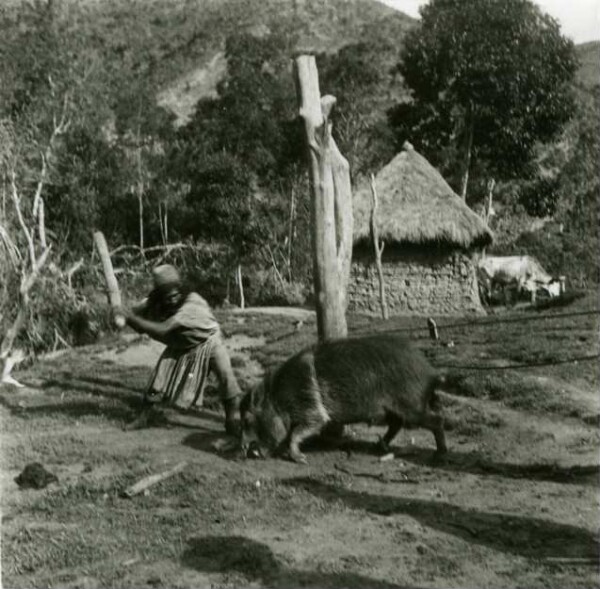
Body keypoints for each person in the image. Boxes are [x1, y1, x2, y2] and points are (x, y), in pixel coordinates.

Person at [117, 264, 242, 435]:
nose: (172, 299)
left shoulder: (192, 302)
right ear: (161, 294)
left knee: (226, 376)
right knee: (158, 379)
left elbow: (162, 329)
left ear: (180, 290)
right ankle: (145, 416)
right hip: (181, 343)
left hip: (209, 341)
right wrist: (122, 315)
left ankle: (231, 420)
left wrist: (130, 317)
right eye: (168, 296)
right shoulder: (155, 302)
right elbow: (139, 322)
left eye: (175, 295)